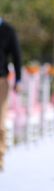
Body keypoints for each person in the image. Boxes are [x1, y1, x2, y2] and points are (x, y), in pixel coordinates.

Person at [0, 17, 22, 171]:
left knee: (0, 120)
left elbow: (17, 56)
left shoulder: (8, 30)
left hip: (1, 81)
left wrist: (18, 80)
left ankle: (0, 156)